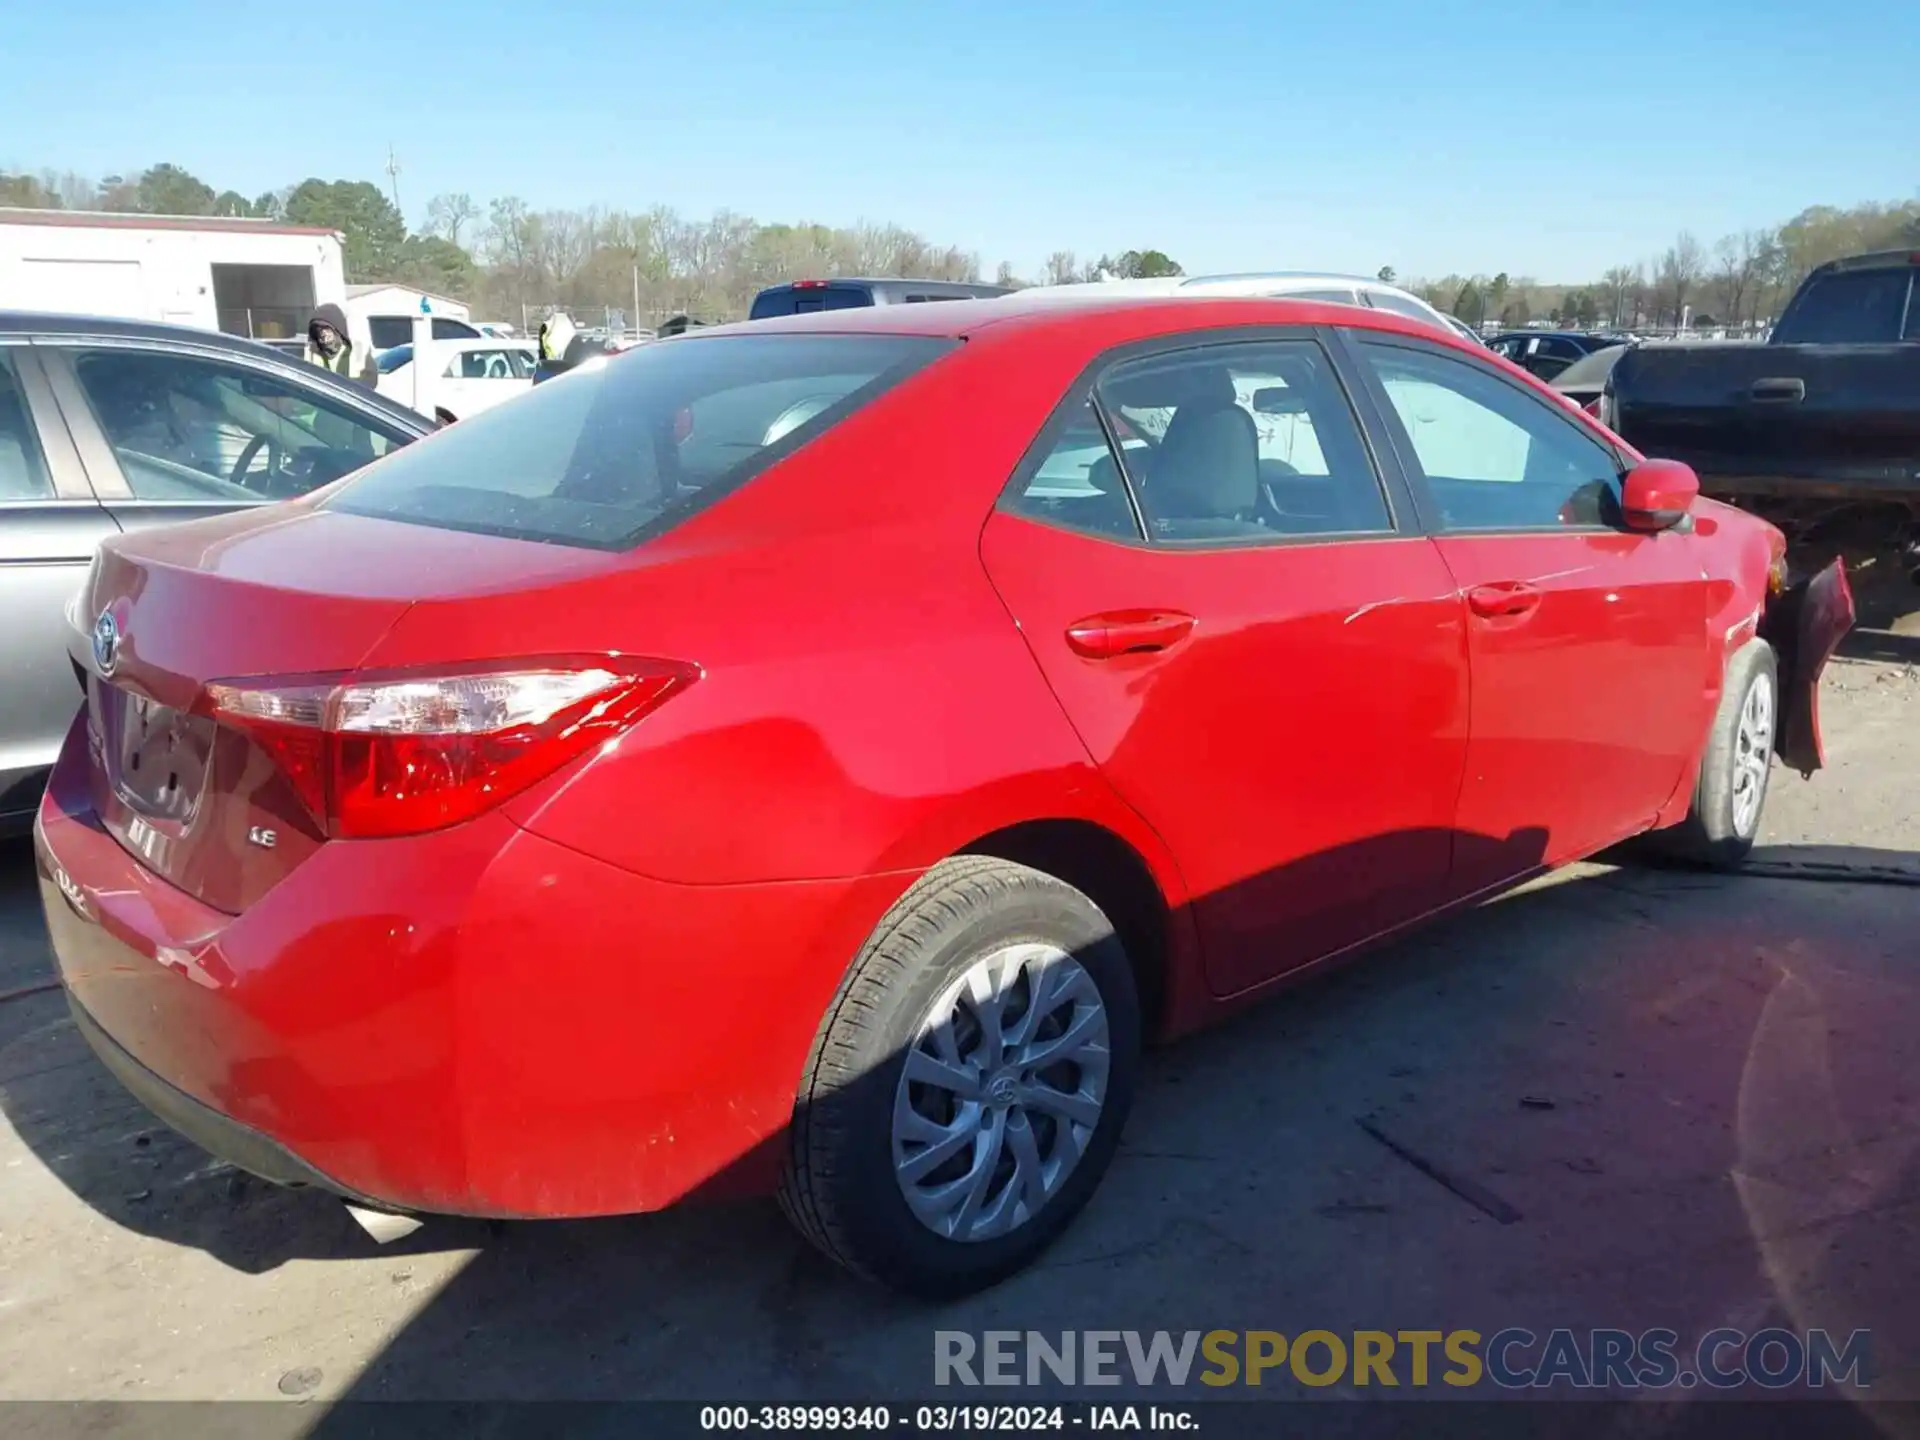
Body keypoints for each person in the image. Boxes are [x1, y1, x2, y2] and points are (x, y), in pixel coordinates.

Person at [305, 304, 376, 386]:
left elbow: (370, 382)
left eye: (326, 328)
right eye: (318, 329)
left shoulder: (358, 350)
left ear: (338, 328)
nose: (323, 333)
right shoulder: (310, 352)